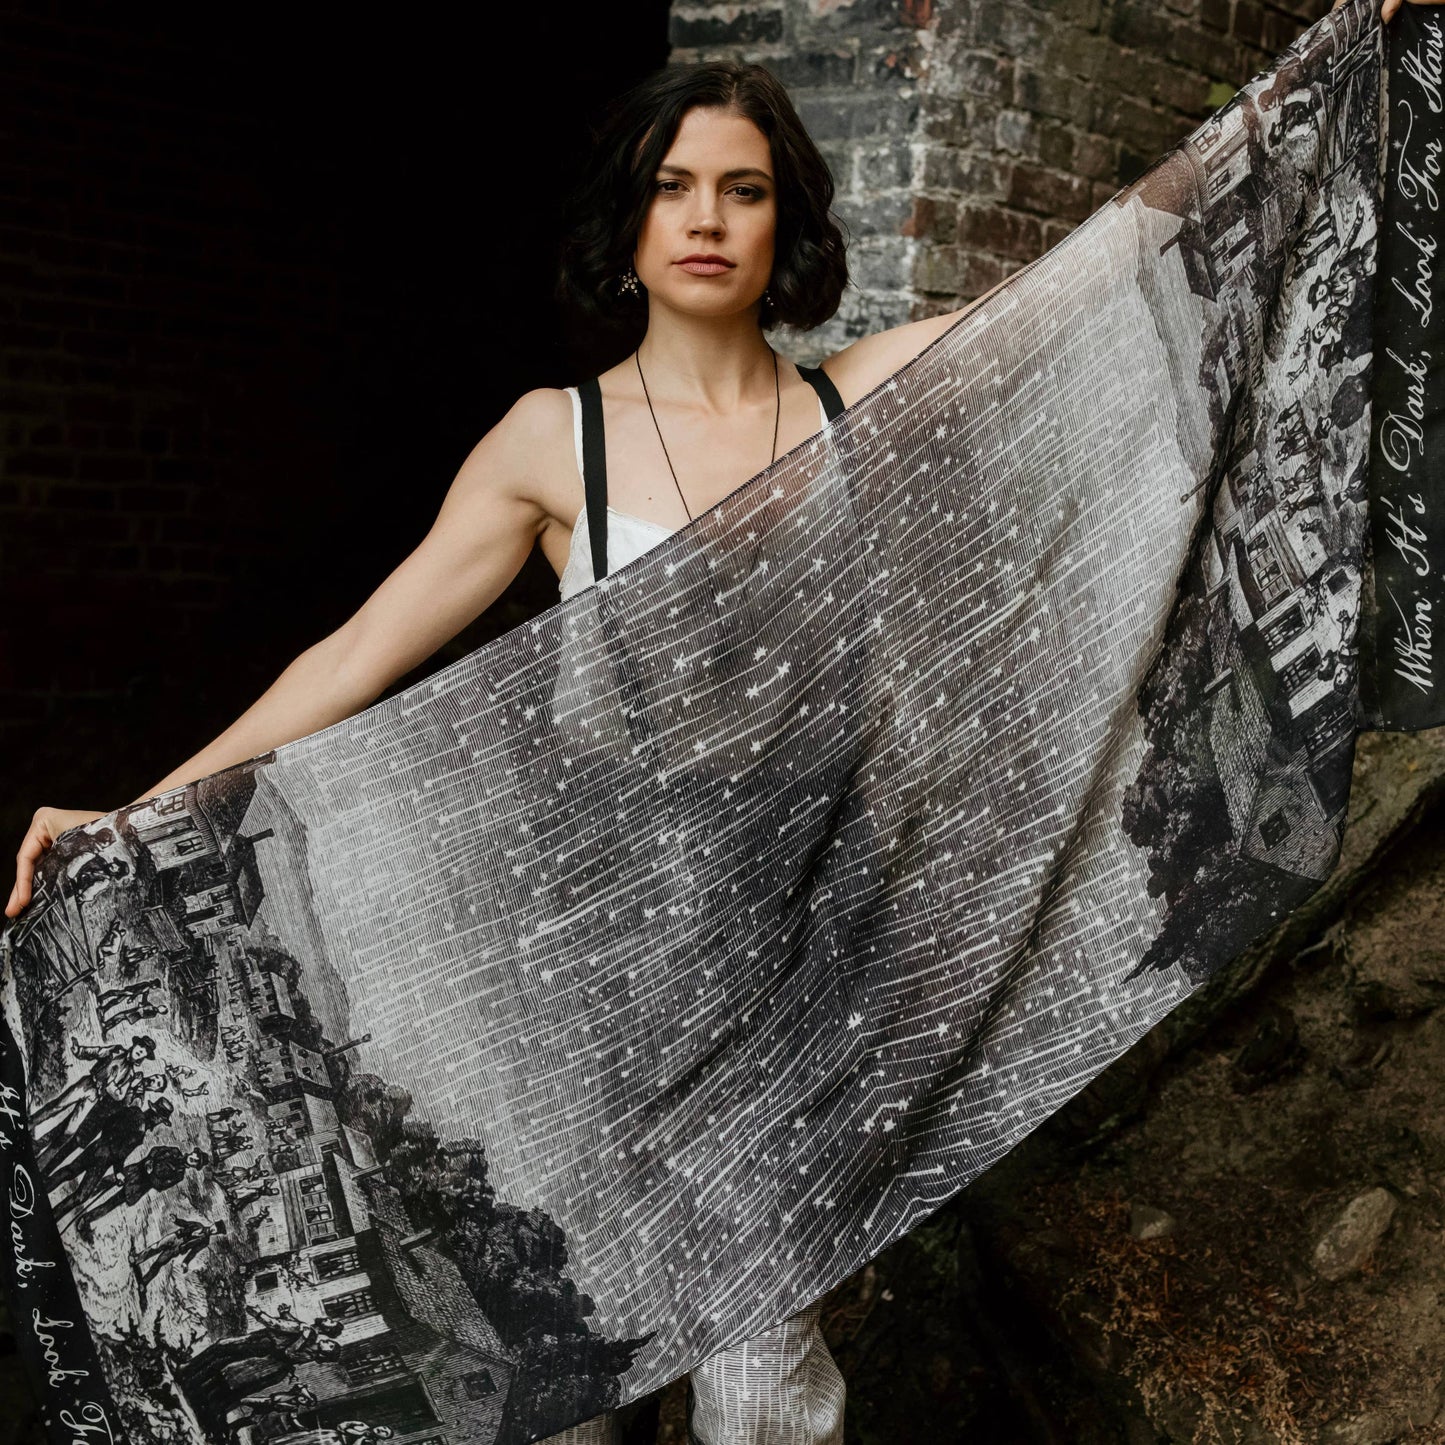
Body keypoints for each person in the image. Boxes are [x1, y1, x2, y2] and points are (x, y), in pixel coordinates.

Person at [8, 1, 1442, 1439]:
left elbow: (1107, 284)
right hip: (578, 979)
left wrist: (1323, 72)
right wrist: (131, 809)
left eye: (743, 189)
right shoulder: (544, 440)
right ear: (626, 223)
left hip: (798, 974)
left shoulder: (861, 404)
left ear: (786, 225)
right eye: (671, 186)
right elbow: (358, 650)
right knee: (570, 1378)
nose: (706, 218)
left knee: (762, 1375)